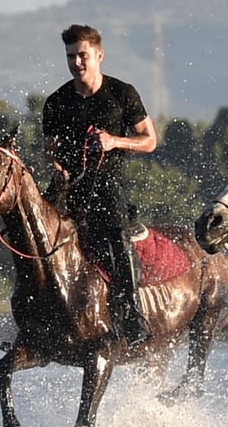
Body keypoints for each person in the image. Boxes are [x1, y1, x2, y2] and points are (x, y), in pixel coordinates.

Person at [42, 24, 158, 345]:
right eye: (71, 57)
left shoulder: (122, 93)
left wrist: (115, 141)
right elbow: (49, 150)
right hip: (68, 188)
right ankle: (35, 319)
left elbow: (149, 140)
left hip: (107, 186)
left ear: (99, 55)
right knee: (35, 238)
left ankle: (131, 314)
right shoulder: (56, 102)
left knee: (118, 239)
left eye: (82, 56)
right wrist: (56, 169)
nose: (76, 62)